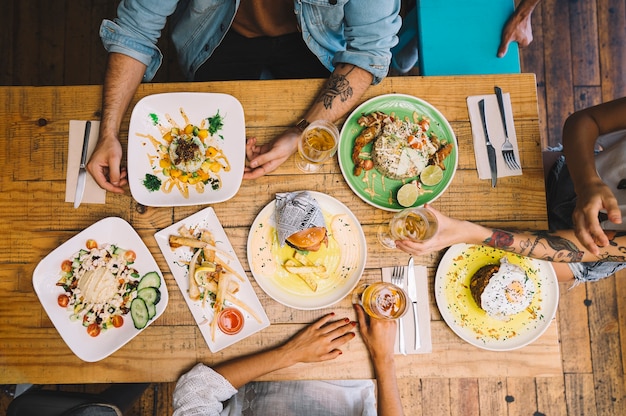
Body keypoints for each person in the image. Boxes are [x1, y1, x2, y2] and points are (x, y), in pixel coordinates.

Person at [86, 1, 402, 193]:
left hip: (313, 47)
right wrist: (109, 131)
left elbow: (369, 50)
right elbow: (135, 30)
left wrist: (301, 131)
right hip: (220, 37)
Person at [172, 308, 404, 415]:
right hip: (351, 365)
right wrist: (384, 359)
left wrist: (291, 352)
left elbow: (196, 391)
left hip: (247, 358)